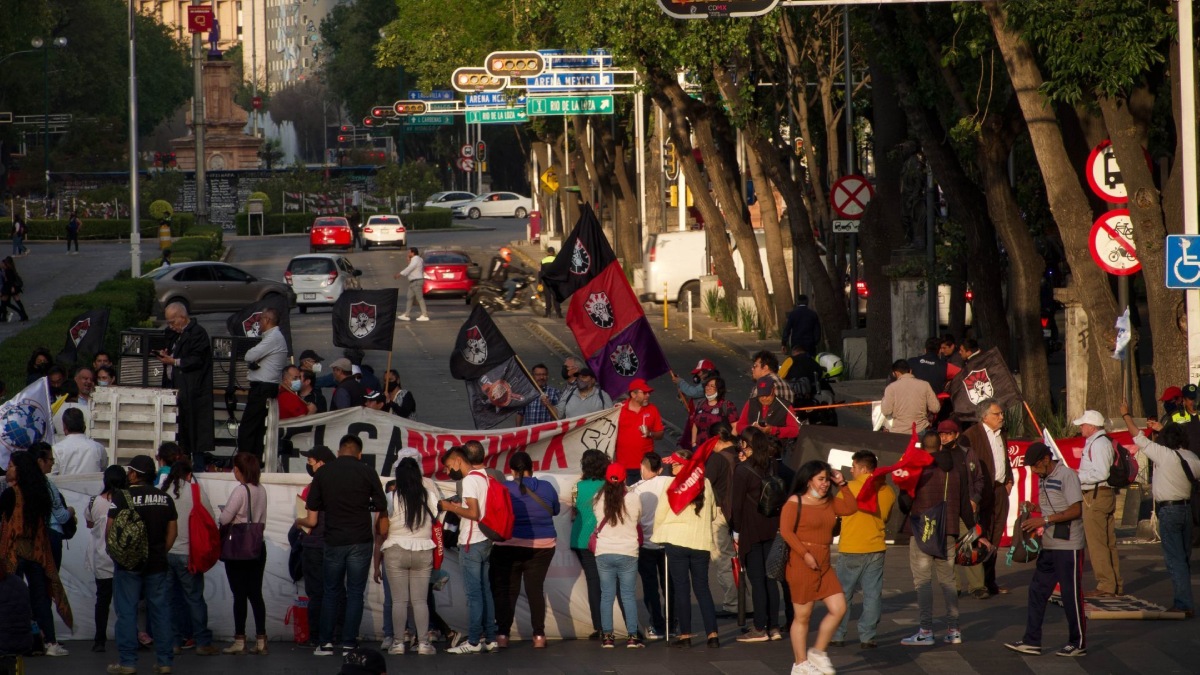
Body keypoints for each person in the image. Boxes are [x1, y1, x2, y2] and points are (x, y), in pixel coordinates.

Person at [1003, 442, 1087, 658]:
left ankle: (1077, 642)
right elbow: (1053, 506)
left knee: (1070, 594)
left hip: (1068, 544)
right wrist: (1035, 508)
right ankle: (1032, 640)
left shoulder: (1067, 475)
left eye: (1035, 466)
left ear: (1046, 460)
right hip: (1049, 544)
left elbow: (1076, 509)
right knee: (1037, 590)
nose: (1033, 471)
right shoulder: (1043, 479)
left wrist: (1045, 518)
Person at [307, 435, 388, 656]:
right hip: (360, 540)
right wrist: (365, 503)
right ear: (359, 453)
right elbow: (381, 503)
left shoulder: (323, 473)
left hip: (333, 540)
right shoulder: (367, 471)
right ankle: (349, 643)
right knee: (355, 593)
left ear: (339, 450)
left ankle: (325, 643)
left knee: (331, 592)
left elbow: (312, 504)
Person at [1119, 403, 1200, 617]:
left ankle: (1183, 602)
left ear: (1166, 441)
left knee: (1174, 559)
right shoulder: (1193, 458)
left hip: (1169, 511)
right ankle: (1185, 598)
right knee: (1183, 557)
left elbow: (1138, 437)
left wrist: (1126, 414)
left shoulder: (1164, 455)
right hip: (1187, 510)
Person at [899, 432, 978, 648]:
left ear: (923, 448)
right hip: (948, 530)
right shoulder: (956, 471)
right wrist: (973, 528)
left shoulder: (918, 470)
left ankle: (926, 630)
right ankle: (954, 630)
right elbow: (964, 504)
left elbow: (905, 503)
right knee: (948, 580)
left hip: (922, 531)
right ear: (941, 447)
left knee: (923, 581)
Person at [779, 460, 856, 675]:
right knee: (803, 616)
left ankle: (818, 652)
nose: (824, 484)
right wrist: (804, 554)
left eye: (826, 479)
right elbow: (786, 532)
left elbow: (851, 507)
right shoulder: (795, 502)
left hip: (823, 562)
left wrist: (842, 484)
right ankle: (800, 664)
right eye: (820, 479)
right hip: (802, 563)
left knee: (839, 607)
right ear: (808, 479)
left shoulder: (830, 502)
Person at [0, 451, 73, 657]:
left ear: (19, 470)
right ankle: (50, 641)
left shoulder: (10, 494)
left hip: (13, 553)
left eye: (12, 465)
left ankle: (14, 639)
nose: (8, 469)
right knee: (41, 598)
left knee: (11, 595)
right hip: (37, 552)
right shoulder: (39, 492)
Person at [108, 454, 176, 674]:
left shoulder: (121, 497)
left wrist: (120, 555)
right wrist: (158, 553)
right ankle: (165, 661)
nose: (128, 474)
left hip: (128, 566)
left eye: (130, 471)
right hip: (157, 564)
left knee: (127, 612)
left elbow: (111, 531)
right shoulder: (165, 498)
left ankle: (128, 662)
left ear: (136, 474)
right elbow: (173, 533)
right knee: (161, 612)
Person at [491, 451, 559, 648]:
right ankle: (539, 636)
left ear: (511, 471)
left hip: (508, 546)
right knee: (535, 590)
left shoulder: (503, 488)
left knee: (508, 590)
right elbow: (554, 510)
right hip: (542, 546)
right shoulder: (546, 487)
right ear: (532, 468)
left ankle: (502, 636)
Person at [654, 446, 721, 649]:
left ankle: (685, 635)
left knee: (682, 589)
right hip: (700, 543)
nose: (672, 467)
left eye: (675, 463)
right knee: (702, 588)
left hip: (676, 541)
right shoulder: (706, 483)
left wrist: (658, 534)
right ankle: (713, 634)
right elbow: (713, 513)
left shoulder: (673, 485)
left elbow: (660, 514)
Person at [830, 451, 895, 650]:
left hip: (851, 547)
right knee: (872, 594)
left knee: (843, 594)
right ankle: (867, 636)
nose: (851, 470)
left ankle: (838, 634)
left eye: (854, 467)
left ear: (864, 469)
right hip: (875, 547)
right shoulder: (887, 491)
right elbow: (885, 518)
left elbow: (838, 513)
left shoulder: (848, 488)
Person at [438, 445, 499, 653]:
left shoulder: (470, 480)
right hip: (485, 540)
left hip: (471, 542)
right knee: (485, 592)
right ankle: (491, 638)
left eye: (447, 467)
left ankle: (473, 641)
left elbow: (473, 513)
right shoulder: (484, 477)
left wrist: (449, 507)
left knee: (474, 595)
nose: (447, 472)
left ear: (458, 461)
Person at [377, 456, 439, 656]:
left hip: (396, 550)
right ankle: (423, 643)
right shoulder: (429, 496)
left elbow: (382, 529)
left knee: (399, 601)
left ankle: (397, 643)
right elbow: (437, 518)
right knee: (420, 601)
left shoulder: (390, 498)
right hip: (423, 551)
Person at [730, 426, 784, 642]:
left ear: (748, 446)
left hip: (751, 530)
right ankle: (774, 626)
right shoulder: (771, 466)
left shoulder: (742, 470)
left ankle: (759, 627)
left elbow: (737, 505)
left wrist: (735, 532)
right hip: (771, 527)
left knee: (757, 579)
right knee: (771, 578)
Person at [161, 459, 220, 656]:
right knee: (194, 599)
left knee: (170, 600)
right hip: (189, 554)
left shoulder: (163, 492)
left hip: (166, 553)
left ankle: (174, 642)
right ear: (188, 475)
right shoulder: (195, 491)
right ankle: (202, 642)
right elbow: (210, 519)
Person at [959, 398, 1013, 598]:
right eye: (997, 414)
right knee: (981, 536)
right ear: (984, 416)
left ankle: (990, 581)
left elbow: (1005, 459)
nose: (1001, 417)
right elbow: (964, 466)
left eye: (1001, 413)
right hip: (981, 493)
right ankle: (979, 583)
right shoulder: (971, 436)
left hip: (999, 491)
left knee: (995, 535)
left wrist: (1009, 481)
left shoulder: (1002, 433)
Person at [217, 452, 269, 655]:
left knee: (239, 594)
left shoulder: (240, 491)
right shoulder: (261, 490)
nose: (233, 472)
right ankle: (261, 639)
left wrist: (222, 514)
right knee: (255, 594)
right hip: (257, 546)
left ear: (240, 470)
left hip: (238, 548)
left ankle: (240, 640)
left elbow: (225, 519)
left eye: (235, 468)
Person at [589, 462, 644, 649]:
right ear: (624, 479)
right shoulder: (634, 498)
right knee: (628, 595)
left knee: (607, 596)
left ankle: (607, 637)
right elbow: (639, 518)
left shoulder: (598, 498)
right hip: (628, 551)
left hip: (604, 551)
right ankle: (632, 637)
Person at [295, 446, 344, 650]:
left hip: (315, 545)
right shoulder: (343, 484)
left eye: (311, 461)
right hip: (337, 545)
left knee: (316, 593)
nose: (308, 464)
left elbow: (311, 521)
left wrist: (298, 521)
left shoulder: (314, 486)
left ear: (322, 463)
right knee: (337, 591)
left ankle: (316, 636)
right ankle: (339, 634)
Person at [157, 302, 214, 470]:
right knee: (178, 430)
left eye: (172, 322)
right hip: (175, 388)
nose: (170, 326)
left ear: (182, 317)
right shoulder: (174, 334)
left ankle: (197, 468)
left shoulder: (198, 333)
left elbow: (197, 359)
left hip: (193, 391)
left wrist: (174, 361)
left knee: (194, 433)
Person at [1072, 409, 1123, 597]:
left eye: (1083, 425)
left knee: (1097, 543)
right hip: (1102, 494)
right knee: (1108, 542)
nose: (1081, 428)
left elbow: (1101, 473)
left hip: (1096, 495)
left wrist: (1078, 476)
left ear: (1092, 427)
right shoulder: (1100, 441)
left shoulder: (1098, 444)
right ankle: (1115, 583)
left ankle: (1106, 585)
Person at [568, 448, 611, 639]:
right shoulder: (609, 486)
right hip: (603, 538)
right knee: (607, 582)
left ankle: (599, 626)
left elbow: (574, 510)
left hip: (581, 538)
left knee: (593, 581)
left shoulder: (578, 486)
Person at [632, 451, 672, 641]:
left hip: (645, 545)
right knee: (670, 585)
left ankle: (657, 624)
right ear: (661, 469)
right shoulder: (669, 482)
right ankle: (672, 624)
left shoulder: (636, 489)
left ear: (643, 467)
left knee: (650, 587)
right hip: (668, 543)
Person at [239, 308, 289, 463]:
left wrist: (255, 360)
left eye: (260, 319)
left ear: (267, 320)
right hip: (265, 387)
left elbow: (249, 355)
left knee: (248, 427)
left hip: (263, 387)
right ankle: (254, 460)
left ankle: (245, 462)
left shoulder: (273, 337)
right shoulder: (273, 337)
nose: (258, 323)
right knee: (257, 428)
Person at [87, 465, 127, 652]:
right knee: (126, 602)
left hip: (102, 558)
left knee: (102, 601)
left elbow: (89, 523)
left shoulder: (94, 501)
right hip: (124, 558)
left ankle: (99, 640)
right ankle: (129, 637)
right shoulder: (128, 500)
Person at [704, 421, 742, 618]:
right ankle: (748, 601)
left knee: (722, 558)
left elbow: (706, 485)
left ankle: (733, 603)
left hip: (720, 511)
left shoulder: (717, 459)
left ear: (715, 439)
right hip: (741, 512)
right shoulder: (741, 454)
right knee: (742, 560)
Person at [614, 379, 664, 484]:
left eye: (649, 393)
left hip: (647, 466)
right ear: (633, 394)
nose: (648, 395)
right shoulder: (618, 410)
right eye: (644, 393)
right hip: (624, 465)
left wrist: (650, 433)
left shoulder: (652, 409)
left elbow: (660, 434)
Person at [32, 443, 73, 570]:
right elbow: (62, 517)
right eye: (50, 460)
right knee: (51, 583)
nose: (52, 463)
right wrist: (71, 511)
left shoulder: (23, 484)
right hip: (51, 535)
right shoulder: (47, 485)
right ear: (40, 461)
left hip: (31, 538)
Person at [880, 359, 941, 434]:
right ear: (910, 371)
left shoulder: (891, 388)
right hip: (920, 430)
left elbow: (886, 411)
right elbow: (935, 408)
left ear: (896, 373)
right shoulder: (925, 385)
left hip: (899, 431)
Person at [738, 376, 800, 441]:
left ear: (773, 390)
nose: (764, 398)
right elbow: (739, 426)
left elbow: (795, 430)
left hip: (775, 446)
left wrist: (772, 430)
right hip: (753, 445)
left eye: (767, 395)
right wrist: (751, 428)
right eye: (761, 395)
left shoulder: (785, 405)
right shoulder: (751, 403)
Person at [684, 376, 738, 450]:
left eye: (712, 386)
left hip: (717, 450)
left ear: (719, 389)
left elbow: (736, 426)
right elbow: (695, 424)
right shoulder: (701, 404)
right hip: (700, 449)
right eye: (707, 385)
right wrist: (694, 443)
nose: (708, 388)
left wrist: (728, 444)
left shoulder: (727, 405)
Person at [52, 407, 105, 475]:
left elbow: (52, 476)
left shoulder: (56, 449)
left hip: (65, 485)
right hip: (93, 485)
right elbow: (103, 472)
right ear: (84, 425)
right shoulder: (98, 448)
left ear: (64, 426)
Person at [393, 247, 429, 322]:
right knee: (409, 297)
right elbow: (411, 266)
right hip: (413, 282)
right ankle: (406, 314)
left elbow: (410, 268)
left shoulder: (416, 259)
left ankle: (424, 315)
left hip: (416, 281)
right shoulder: (418, 259)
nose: (408, 253)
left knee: (419, 298)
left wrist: (400, 274)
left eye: (409, 252)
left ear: (413, 253)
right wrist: (409, 259)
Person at [1, 256, 29, 322]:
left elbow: (10, 280)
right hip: (12, 288)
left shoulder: (8, 270)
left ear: (7, 263)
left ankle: (22, 314)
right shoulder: (12, 268)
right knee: (16, 302)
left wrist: (12, 287)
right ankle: (23, 315)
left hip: (9, 288)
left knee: (5, 303)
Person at [539, 247, 562, 318]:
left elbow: (540, 273)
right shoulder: (557, 260)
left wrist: (539, 283)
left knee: (547, 298)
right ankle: (558, 313)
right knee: (556, 298)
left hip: (546, 282)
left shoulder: (543, 261)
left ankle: (547, 313)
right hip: (555, 282)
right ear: (554, 252)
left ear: (547, 253)